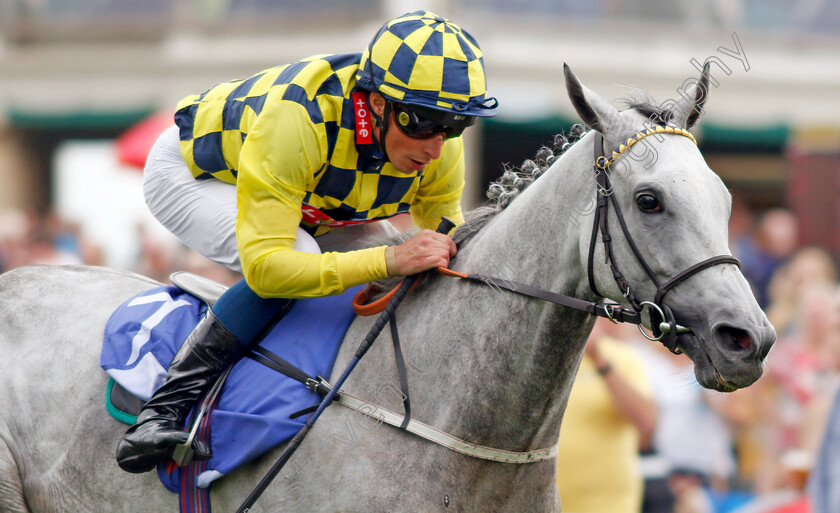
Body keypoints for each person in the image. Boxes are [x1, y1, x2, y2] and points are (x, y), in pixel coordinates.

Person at [115, 10, 498, 473]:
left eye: (453, 125)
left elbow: (443, 240)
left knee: (384, 252)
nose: (436, 147)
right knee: (302, 258)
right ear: (378, 104)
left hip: (309, 193)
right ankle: (163, 409)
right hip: (199, 173)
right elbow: (269, 268)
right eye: (422, 123)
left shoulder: (437, 141)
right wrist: (393, 257)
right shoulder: (296, 121)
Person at [555, 320, 657, 513]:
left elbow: (646, 422)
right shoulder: (545, 356)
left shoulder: (624, 356)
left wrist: (598, 357)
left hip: (609, 505)